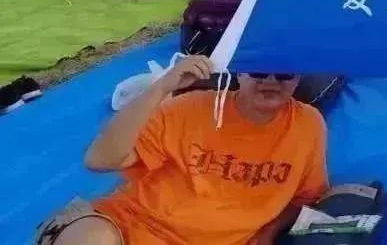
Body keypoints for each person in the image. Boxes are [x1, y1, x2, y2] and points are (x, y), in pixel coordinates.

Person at [35, 53, 328, 245]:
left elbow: (307, 197)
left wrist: (268, 232)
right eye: (259, 70)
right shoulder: (191, 108)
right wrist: (161, 88)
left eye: (284, 73)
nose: (271, 81)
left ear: (298, 78)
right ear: (239, 72)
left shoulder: (308, 125)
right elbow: (99, 159)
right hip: (129, 225)